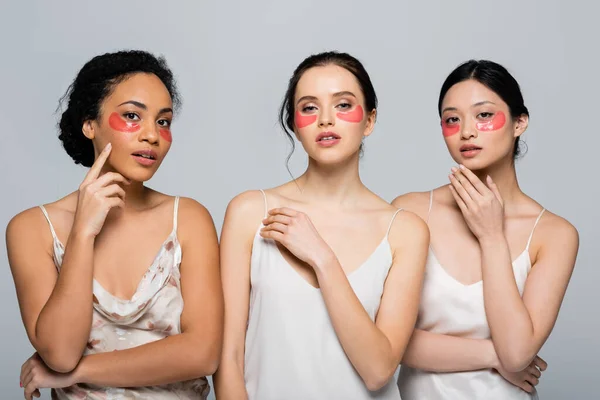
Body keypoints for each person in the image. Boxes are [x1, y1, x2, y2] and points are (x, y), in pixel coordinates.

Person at [6, 50, 223, 399]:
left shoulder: (189, 220)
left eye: (163, 121)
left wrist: (78, 372)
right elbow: (60, 353)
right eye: (133, 116)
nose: (152, 135)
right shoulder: (32, 228)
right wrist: (82, 233)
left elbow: (203, 353)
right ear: (90, 124)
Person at [213, 51, 429, 400]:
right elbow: (228, 358)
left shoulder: (405, 231)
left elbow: (378, 370)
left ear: (369, 120)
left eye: (343, 105)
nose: (326, 120)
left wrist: (322, 258)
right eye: (310, 108)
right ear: (296, 126)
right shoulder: (250, 212)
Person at [394, 59, 579, 399]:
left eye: (483, 115)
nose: (466, 131)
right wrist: (491, 356)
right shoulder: (410, 211)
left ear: (519, 122)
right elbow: (382, 340)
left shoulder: (554, 234)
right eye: (452, 119)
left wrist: (492, 236)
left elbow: (517, 353)